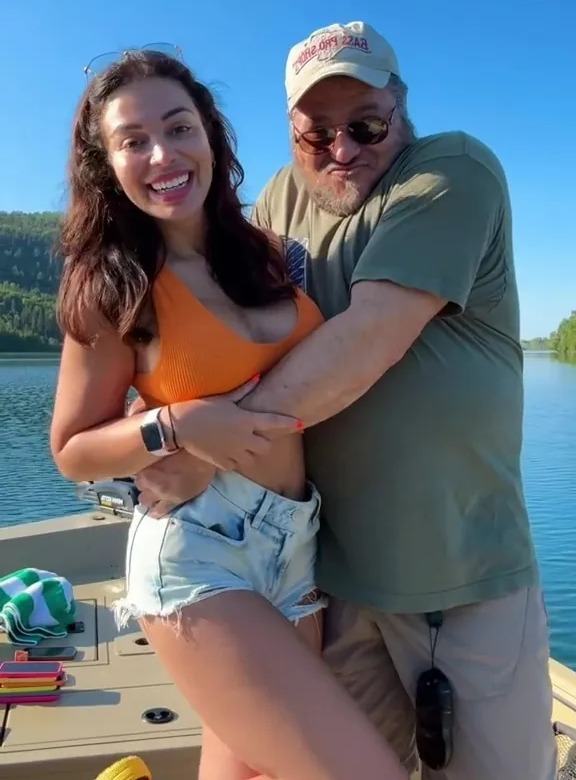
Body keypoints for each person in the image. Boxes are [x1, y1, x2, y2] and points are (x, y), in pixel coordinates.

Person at [133, 21, 558, 780]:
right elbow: (209, 327)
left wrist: (203, 446)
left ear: (401, 107)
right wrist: (152, 415)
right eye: (315, 132)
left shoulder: (451, 170)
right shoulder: (277, 201)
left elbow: (370, 337)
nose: (341, 149)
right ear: (289, 131)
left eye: (365, 125)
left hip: (461, 581)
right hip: (326, 585)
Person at [49, 47, 408, 780]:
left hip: (294, 544)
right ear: (107, 164)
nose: (162, 154)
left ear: (210, 135)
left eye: (179, 127)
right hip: (197, 552)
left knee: (250, 771)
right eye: (133, 141)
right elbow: (73, 449)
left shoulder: (275, 257)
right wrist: (172, 427)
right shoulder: (111, 286)